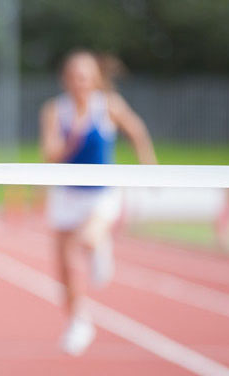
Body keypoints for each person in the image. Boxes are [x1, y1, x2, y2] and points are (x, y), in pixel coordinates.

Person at [39, 50, 157, 355]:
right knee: (64, 266)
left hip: (101, 194)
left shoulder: (108, 106)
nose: (79, 82)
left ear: (95, 79)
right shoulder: (55, 110)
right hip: (66, 194)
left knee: (88, 239)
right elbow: (49, 156)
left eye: (85, 76)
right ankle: (79, 321)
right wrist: (71, 142)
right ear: (65, 79)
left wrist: (150, 168)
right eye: (74, 76)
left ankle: (99, 246)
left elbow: (137, 131)